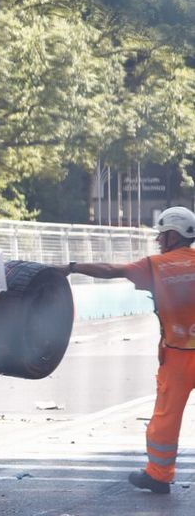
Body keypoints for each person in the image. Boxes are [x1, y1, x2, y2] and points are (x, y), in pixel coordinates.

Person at [59, 206, 195, 494]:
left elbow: (111, 270)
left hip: (178, 356)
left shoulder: (157, 266)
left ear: (173, 235)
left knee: (166, 418)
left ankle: (159, 474)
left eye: (161, 235)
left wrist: (72, 267)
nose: (158, 241)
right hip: (177, 353)